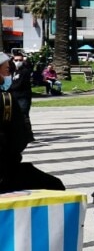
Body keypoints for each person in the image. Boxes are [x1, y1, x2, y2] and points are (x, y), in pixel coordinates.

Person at [0, 52, 64, 192]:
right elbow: (18, 139)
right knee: (54, 186)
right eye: (6, 70)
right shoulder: (6, 101)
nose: (8, 73)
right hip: (5, 170)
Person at [8, 49, 32, 122]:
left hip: (23, 97)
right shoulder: (12, 71)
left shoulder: (25, 71)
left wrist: (9, 88)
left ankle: (27, 132)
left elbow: (19, 84)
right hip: (13, 97)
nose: (18, 62)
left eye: (20, 60)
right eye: (16, 60)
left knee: (24, 115)